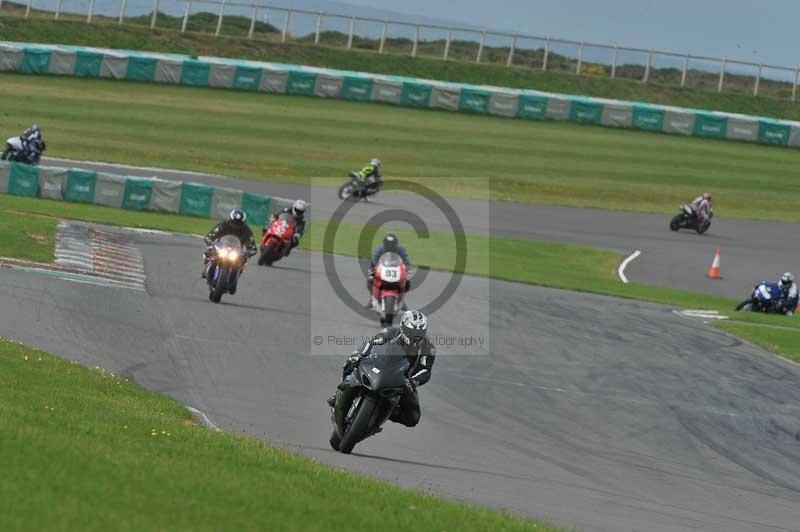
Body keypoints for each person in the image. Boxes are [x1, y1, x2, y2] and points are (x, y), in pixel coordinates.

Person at [328, 310, 435, 428]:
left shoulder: (427, 348)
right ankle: (339, 391)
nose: (415, 336)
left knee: (413, 418)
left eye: (419, 333)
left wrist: (413, 381)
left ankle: (384, 413)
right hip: (378, 365)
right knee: (350, 363)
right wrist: (359, 355)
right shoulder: (390, 332)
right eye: (412, 331)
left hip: (403, 381)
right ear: (403, 327)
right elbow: (371, 343)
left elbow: (425, 370)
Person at [202, 208, 257, 278]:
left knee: (243, 262)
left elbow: (252, 246)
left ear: (243, 223)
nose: (235, 226)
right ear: (230, 219)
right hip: (221, 246)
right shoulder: (223, 225)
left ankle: (234, 278)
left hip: (237, 250)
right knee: (210, 253)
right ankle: (207, 267)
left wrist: (248, 252)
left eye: (238, 224)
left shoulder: (247, 231)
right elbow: (210, 236)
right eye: (234, 223)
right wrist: (210, 244)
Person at [365, 233, 412, 309]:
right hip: (380, 268)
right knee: (370, 280)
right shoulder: (379, 249)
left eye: (392, 245)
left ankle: (402, 300)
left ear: (396, 245)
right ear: (384, 244)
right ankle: (372, 298)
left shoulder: (401, 250)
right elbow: (374, 260)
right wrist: (375, 269)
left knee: (407, 282)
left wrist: (408, 268)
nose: (390, 247)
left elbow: (406, 261)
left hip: (395, 270)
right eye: (388, 245)